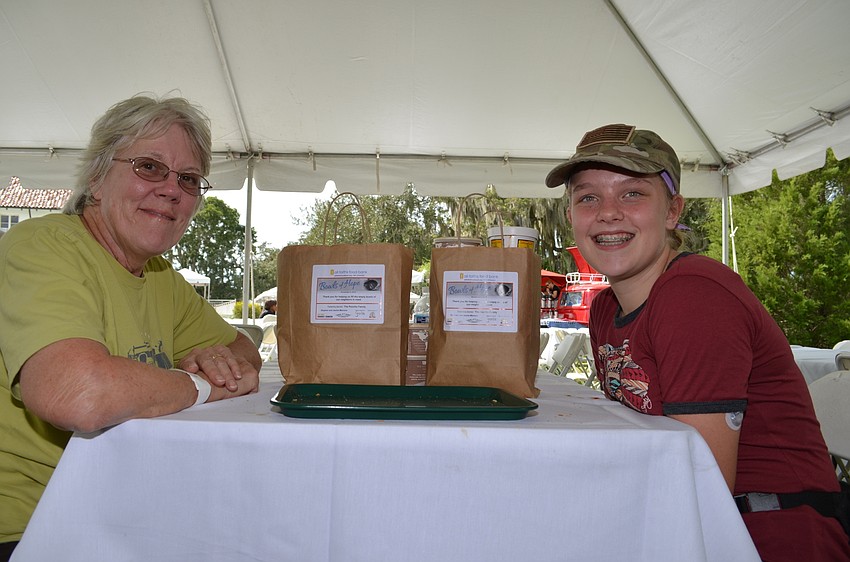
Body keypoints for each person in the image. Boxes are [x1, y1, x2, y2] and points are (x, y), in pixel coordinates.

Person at [545, 123, 850, 561]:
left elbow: (702, 483)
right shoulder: (606, 309)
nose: (608, 212)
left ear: (672, 212)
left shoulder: (694, 293)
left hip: (767, 535)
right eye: (587, 196)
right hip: (695, 521)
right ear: (571, 216)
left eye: (632, 193)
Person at [0, 94, 262, 558]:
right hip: (31, 527)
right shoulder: (42, 248)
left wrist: (215, 362)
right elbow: (77, 393)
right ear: (97, 178)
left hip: (117, 514)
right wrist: (198, 384)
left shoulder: (162, 278)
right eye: (149, 167)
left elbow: (244, 349)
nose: (171, 189)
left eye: (189, 179)